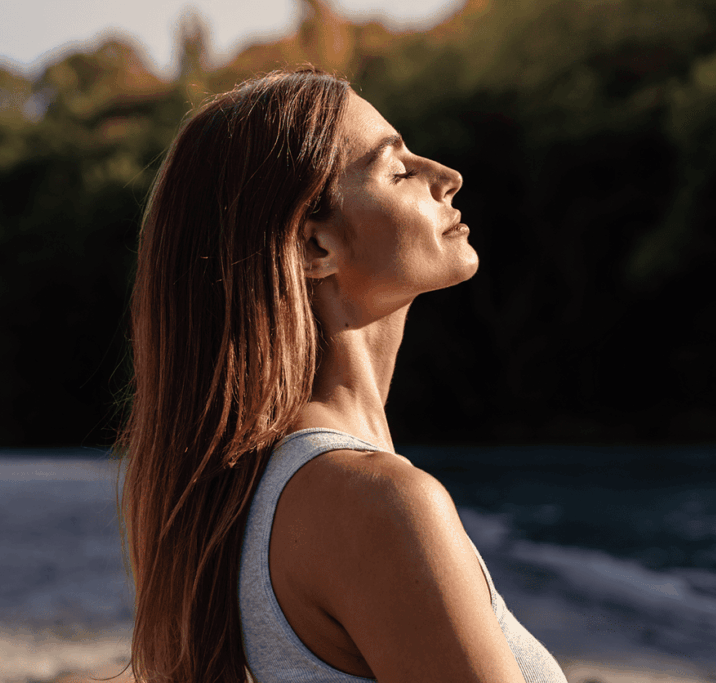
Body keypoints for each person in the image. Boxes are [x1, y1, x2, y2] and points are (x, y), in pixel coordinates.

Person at [115, 68, 567, 683]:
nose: (447, 176)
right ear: (314, 248)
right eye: (398, 170)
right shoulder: (378, 504)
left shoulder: (234, 500)